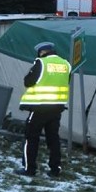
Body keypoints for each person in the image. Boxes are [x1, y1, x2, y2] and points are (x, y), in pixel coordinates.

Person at [15, 41, 71, 177]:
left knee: (31, 138)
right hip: (57, 107)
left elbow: (28, 81)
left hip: (39, 107)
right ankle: (55, 169)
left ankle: (30, 169)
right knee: (53, 139)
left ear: (42, 52)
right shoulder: (66, 64)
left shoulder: (41, 63)